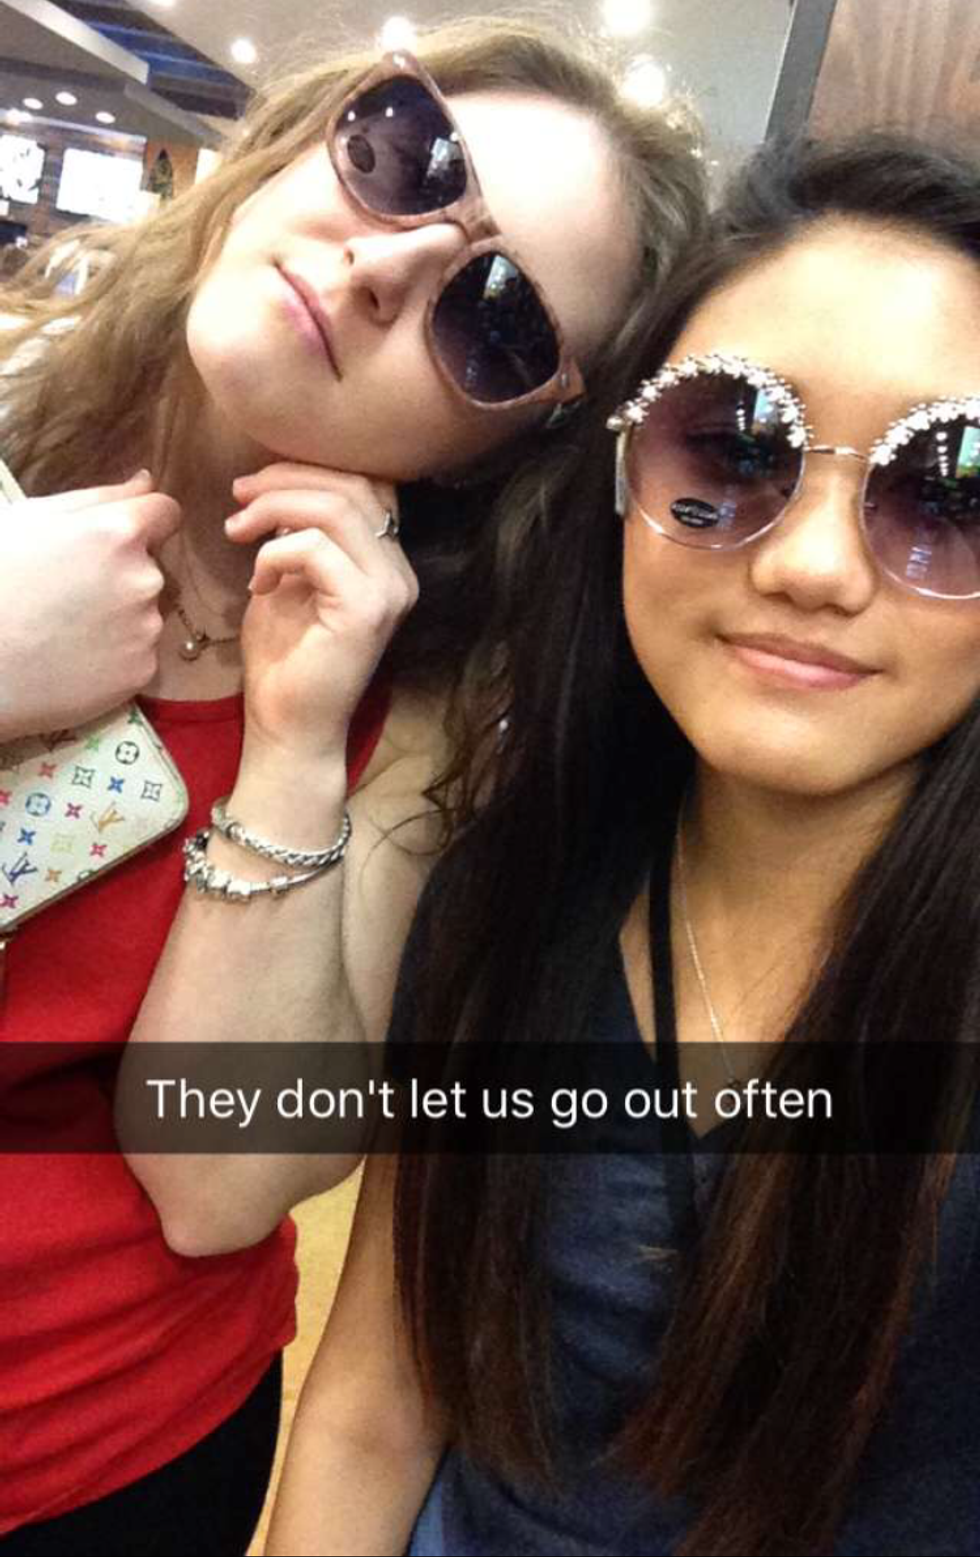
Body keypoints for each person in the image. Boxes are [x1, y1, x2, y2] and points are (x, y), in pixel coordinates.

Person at [0, 17, 706, 1554]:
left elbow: (217, 1182)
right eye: (404, 155)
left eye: (495, 318)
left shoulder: (429, 710)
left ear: (498, 448)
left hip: (103, 1458)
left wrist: (295, 736)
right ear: (304, 134)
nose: (387, 267)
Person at [266, 133, 980, 1557]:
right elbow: (376, 1408)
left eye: (950, 490)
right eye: (736, 448)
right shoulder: (511, 893)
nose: (812, 566)